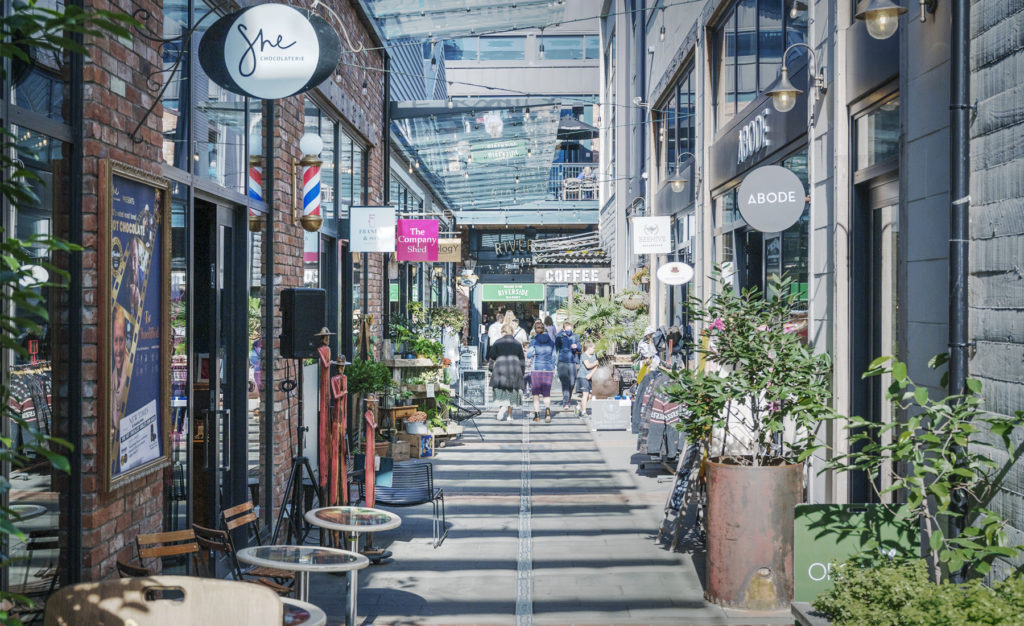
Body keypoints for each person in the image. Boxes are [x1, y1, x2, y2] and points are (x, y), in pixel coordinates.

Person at [487, 323, 525, 422]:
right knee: (512, 393)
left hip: (500, 369)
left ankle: (502, 407)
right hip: (514, 369)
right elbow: (521, 359)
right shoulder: (517, 343)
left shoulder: (497, 342)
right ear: (512, 332)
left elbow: (492, 356)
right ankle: (509, 415)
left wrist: (491, 369)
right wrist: (522, 373)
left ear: (503, 332)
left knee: (501, 392)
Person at [527, 320, 557, 423]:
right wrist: (551, 367)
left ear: (535, 330)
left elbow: (528, 355)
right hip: (548, 370)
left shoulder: (534, 341)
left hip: (536, 369)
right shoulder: (551, 342)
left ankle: (537, 415)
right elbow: (554, 357)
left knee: (535, 394)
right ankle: (547, 412)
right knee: (546, 393)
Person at [555, 321, 581, 409]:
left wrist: (576, 346)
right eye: (567, 329)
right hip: (562, 361)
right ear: (564, 329)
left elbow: (580, 348)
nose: (569, 330)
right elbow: (555, 348)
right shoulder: (560, 336)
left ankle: (568, 398)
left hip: (573, 362)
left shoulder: (576, 337)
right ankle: (565, 402)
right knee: (565, 383)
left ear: (573, 329)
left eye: (570, 329)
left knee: (572, 382)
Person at [576, 341, 598, 418]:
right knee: (585, 394)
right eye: (593, 348)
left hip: (589, 377)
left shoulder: (594, 355)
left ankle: (579, 406)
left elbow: (596, 367)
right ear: (588, 348)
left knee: (590, 396)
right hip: (583, 377)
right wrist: (595, 363)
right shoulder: (583, 355)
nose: (594, 350)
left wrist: (590, 374)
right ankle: (584, 412)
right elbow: (588, 366)